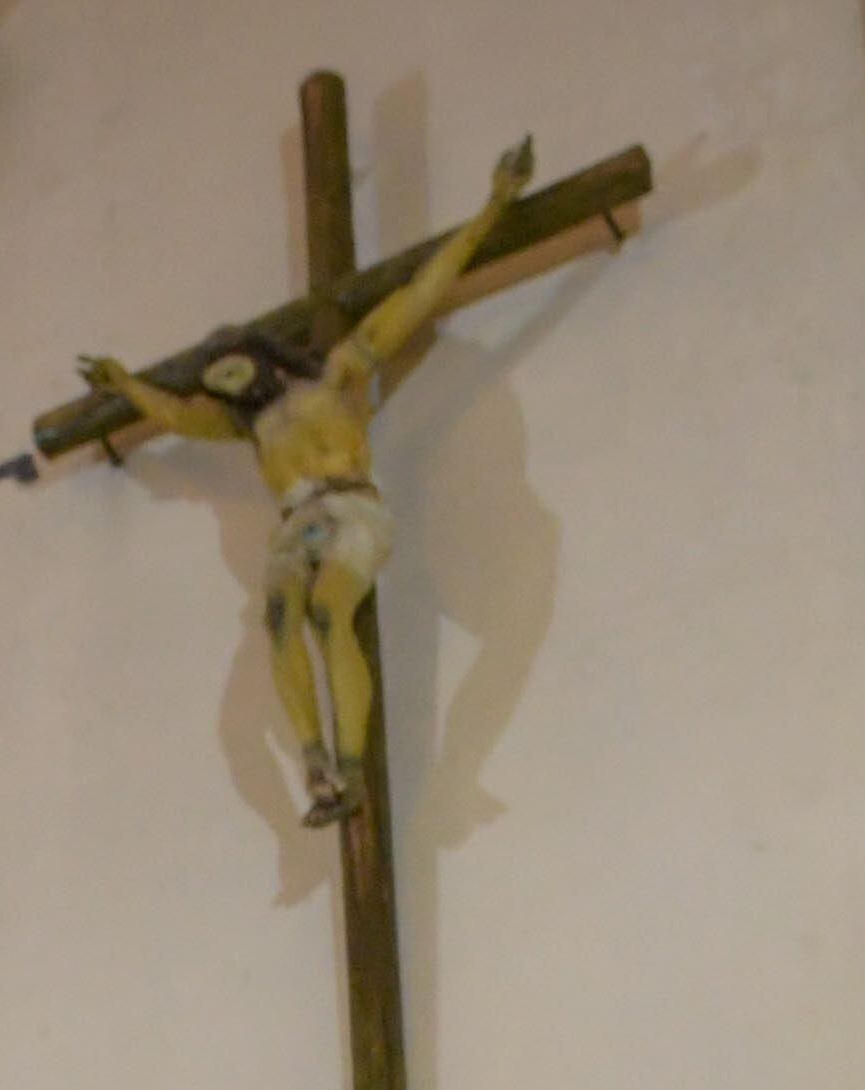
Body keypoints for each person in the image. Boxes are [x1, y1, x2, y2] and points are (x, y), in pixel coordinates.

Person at [79, 136, 534, 826]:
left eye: (234, 368)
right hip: (298, 521)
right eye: (221, 381)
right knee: (280, 621)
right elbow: (173, 413)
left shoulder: (336, 374)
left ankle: (351, 764)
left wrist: (493, 208)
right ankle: (317, 756)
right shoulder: (247, 427)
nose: (231, 383)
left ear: (258, 356)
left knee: (329, 611)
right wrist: (123, 383)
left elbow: (420, 294)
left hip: (351, 506)